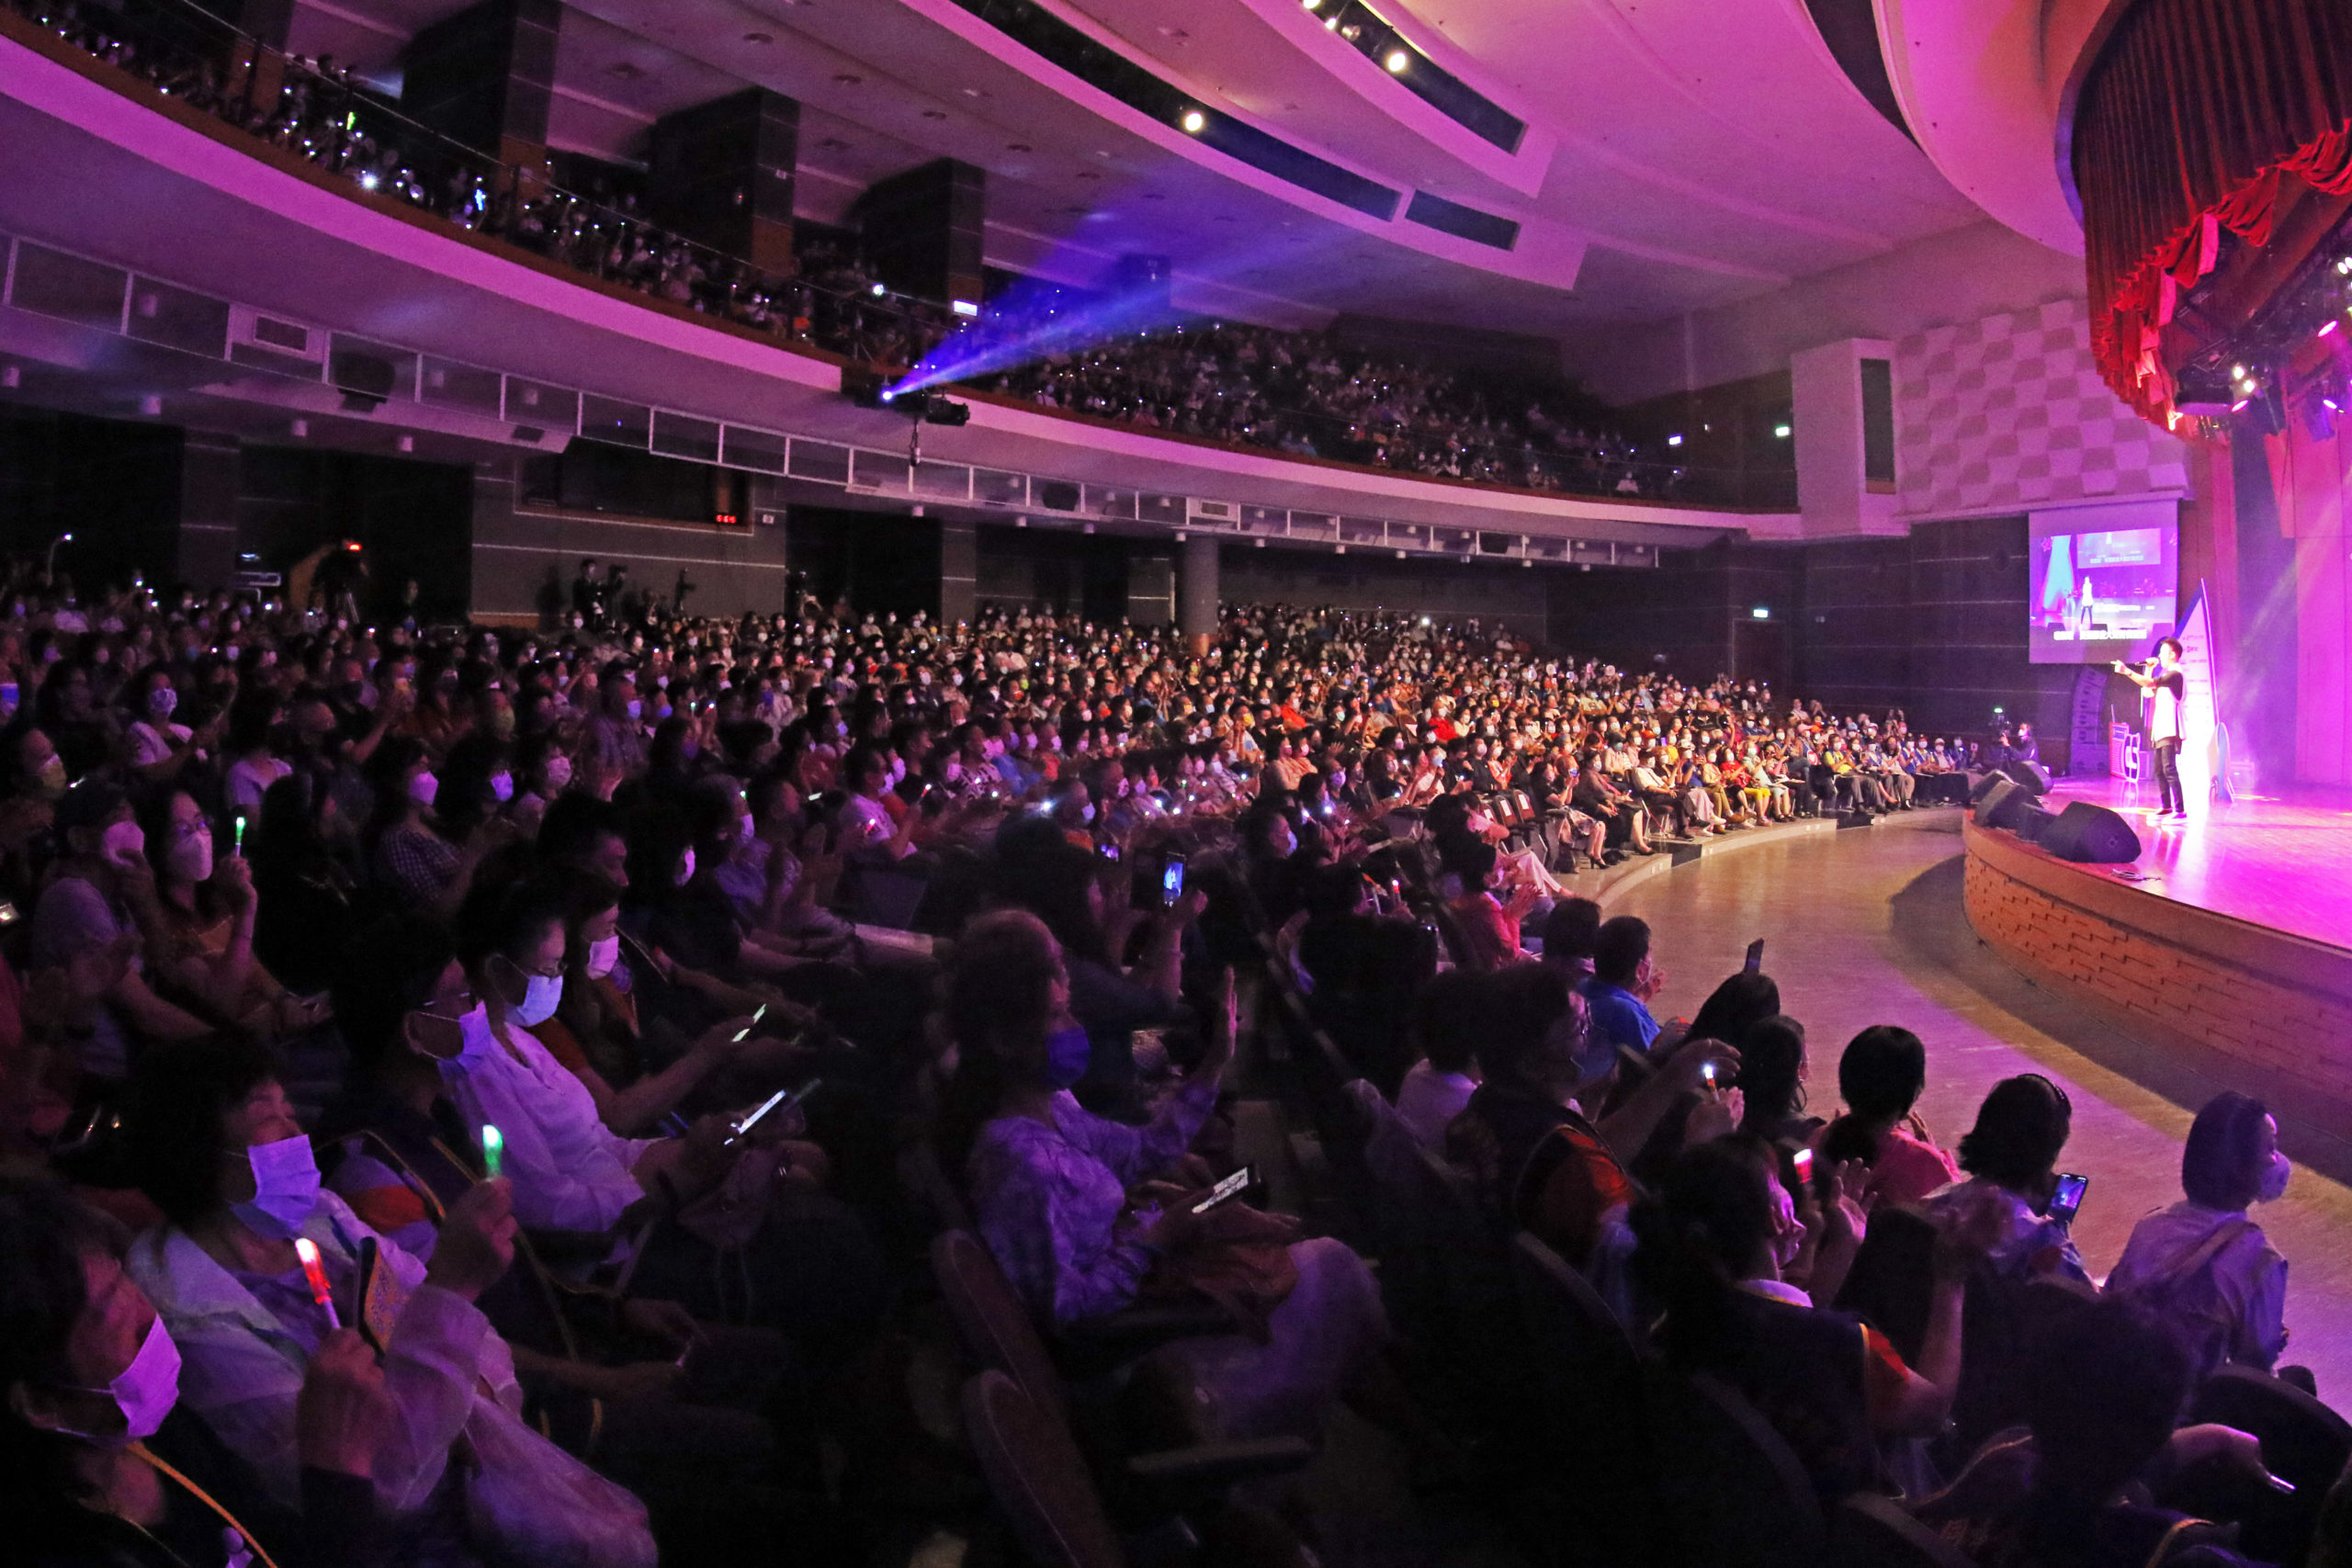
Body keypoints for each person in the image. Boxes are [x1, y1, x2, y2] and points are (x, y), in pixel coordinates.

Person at [946, 909, 1386, 1442]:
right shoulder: (1017, 1163)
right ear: (1002, 1040)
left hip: (1161, 1221)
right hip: (1144, 1325)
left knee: (1252, 1189)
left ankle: (1395, 1404)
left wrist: (1216, 1061)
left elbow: (1145, 1151)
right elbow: (1069, 1315)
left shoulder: (1056, 1104)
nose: (1075, 1029)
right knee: (1336, 1265)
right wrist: (1153, 1240)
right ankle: (1400, 1411)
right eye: (1056, 1016)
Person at [0, 1174, 400, 1568]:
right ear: (39, 1403)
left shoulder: (161, 1436)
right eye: (113, 1315)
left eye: (123, 1278)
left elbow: (283, 1544)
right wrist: (338, 1471)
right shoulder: (60, 1549)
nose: (152, 1317)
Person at [1632, 1140, 1995, 1504]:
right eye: (1777, 1184)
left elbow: (1785, 1327)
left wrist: (1842, 1245)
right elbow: (1933, 1410)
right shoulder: (1846, 1344)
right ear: (1775, 1218)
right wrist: (1951, 1278)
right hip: (1850, 1526)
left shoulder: (1675, 1320)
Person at [1911, 1295, 2274, 1568]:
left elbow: (2088, 1449)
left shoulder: (2003, 1459)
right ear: (2164, 1428)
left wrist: (2216, 1437)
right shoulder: (2182, 1552)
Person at [2107, 1091, 2291, 1382]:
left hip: (2124, 1378)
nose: (2276, 1161)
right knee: (2299, 1379)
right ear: (2239, 1167)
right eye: (2270, 1148)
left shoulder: (2149, 1225)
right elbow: (2255, 1368)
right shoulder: (2261, 1260)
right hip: (2188, 1401)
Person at [1813, 1024, 1962, 1208]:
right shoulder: (1924, 1161)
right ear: (1914, 1091)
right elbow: (1955, 1209)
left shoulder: (1820, 1136)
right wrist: (1937, 1157)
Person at [2116, 638, 2187, 819]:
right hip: (2161, 729)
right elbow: (2147, 692)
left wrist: (2126, 671)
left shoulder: (2175, 675)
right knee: (2159, 771)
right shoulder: (2167, 675)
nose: (2159, 655)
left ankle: (2180, 811)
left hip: (2171, 729)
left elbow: (2148, 684)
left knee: (2169, 769)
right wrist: (2149, 669)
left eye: (2163, 652)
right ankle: (2166, 807)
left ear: (2172, 654)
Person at [1581, 914, 1665, 1055]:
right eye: (1649, 954)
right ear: (1640, 970)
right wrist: (1638, 1002)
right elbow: (1656, 1057)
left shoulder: (1580, 987)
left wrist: (1637, 999)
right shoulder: (1626, 1012)